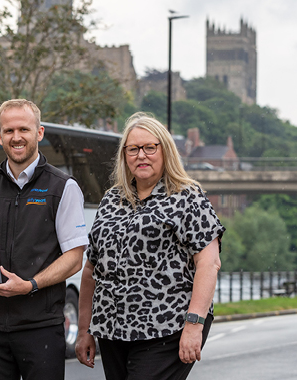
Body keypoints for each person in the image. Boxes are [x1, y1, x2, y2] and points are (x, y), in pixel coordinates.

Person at [75, 112, 225, 379]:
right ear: (124, 155)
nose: (140, 155)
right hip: (113, 329)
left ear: (164, 150)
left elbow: (209, 263)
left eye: (149, 147)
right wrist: (84, 330)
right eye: (133, 149)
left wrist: (194, 325)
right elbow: (91, 269)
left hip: (167, 326)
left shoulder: (187, 196)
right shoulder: (112, 199)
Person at [0, 99, 88, 380]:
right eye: (8, 131)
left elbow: (74, 258)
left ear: (40, 133)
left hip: (40, 327)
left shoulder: (62, 187)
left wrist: (31, 285)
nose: (16, 137)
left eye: (24, 129)